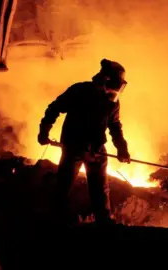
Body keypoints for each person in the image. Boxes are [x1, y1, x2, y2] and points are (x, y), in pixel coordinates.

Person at [37, 58, 131, 227]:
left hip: (96, 151)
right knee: (63, 187)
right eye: (117, 84)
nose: (117, 90)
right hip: (74, 148)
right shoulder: (79, 91)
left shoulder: (112, 102)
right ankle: (59, 224)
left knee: (100, 192)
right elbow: (55, 108)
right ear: (106, 80)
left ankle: (104, 225)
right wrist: (44, 131)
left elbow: (115, 126)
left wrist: (122, 149)